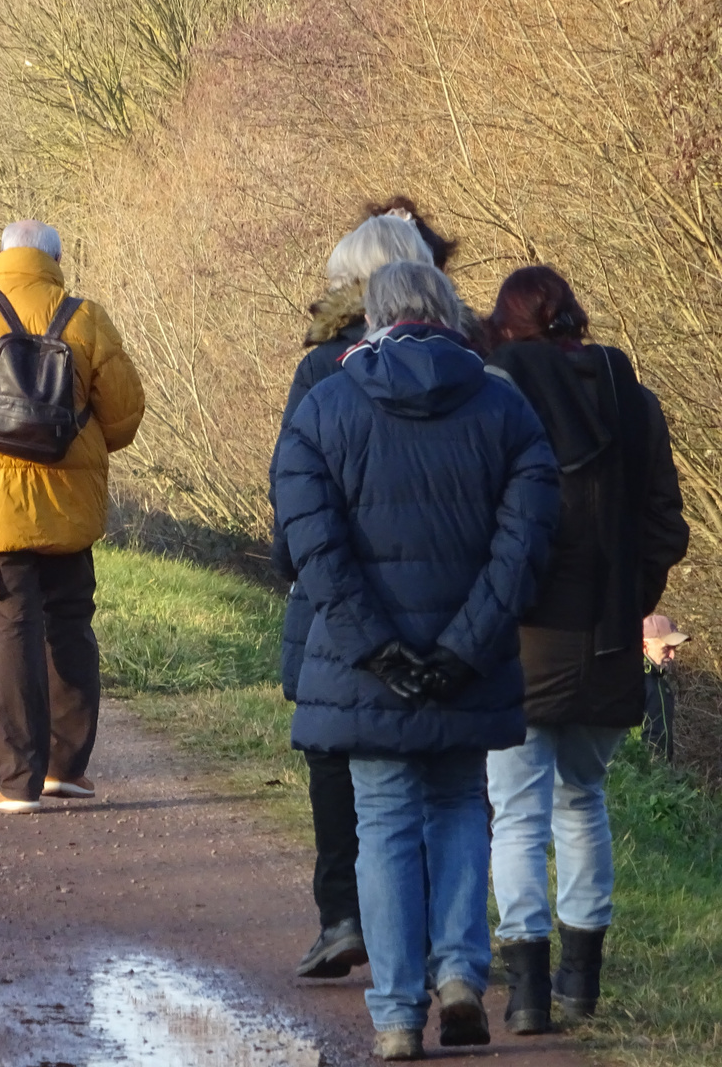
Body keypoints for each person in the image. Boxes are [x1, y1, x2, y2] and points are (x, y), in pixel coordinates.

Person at [275, 260, 559, 1060]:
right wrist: (466, 649)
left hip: (364, 670)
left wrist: (377, 649)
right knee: (462, 805)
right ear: (449, 313)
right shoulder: (506, 406)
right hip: (468, 661)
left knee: (385, 823)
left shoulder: (324, 406)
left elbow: (312, 546)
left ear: (371, 318)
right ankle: (462, 975)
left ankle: (398, 1017)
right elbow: (526, 541)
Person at [482, 267, 689, 1034]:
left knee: (517, 814)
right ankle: (580, 987)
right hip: (606, 642)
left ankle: (529, 992)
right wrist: (625, 603)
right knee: (583, 803)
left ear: (508, 328)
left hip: (520, 643)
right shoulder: (636, 403)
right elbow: (667, 528)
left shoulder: (494, 396)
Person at [0, 219, 145, 813]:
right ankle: (67, 768)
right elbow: (125, 415)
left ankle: (17, 782)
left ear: (2, 256)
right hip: (68, 502)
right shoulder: (85, 317)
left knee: (7, 629)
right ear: (56, 260)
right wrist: (73, 442)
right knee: (68, 622)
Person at [267, 210, 438, 981]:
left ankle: (343, 917)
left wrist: (290, 565)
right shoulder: (462, 359)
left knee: (335, 755)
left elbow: (292, 492)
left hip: (338, 594)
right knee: (439, 767)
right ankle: (430, 928)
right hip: (442, 596)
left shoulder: (322, 369)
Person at [641, 613, 687, 762]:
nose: (672, 656)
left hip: (655, 778)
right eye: (666, 648)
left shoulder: (660, 684)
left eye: (674, 649)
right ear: (644, 645)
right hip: (633, 777)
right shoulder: (627, 681)